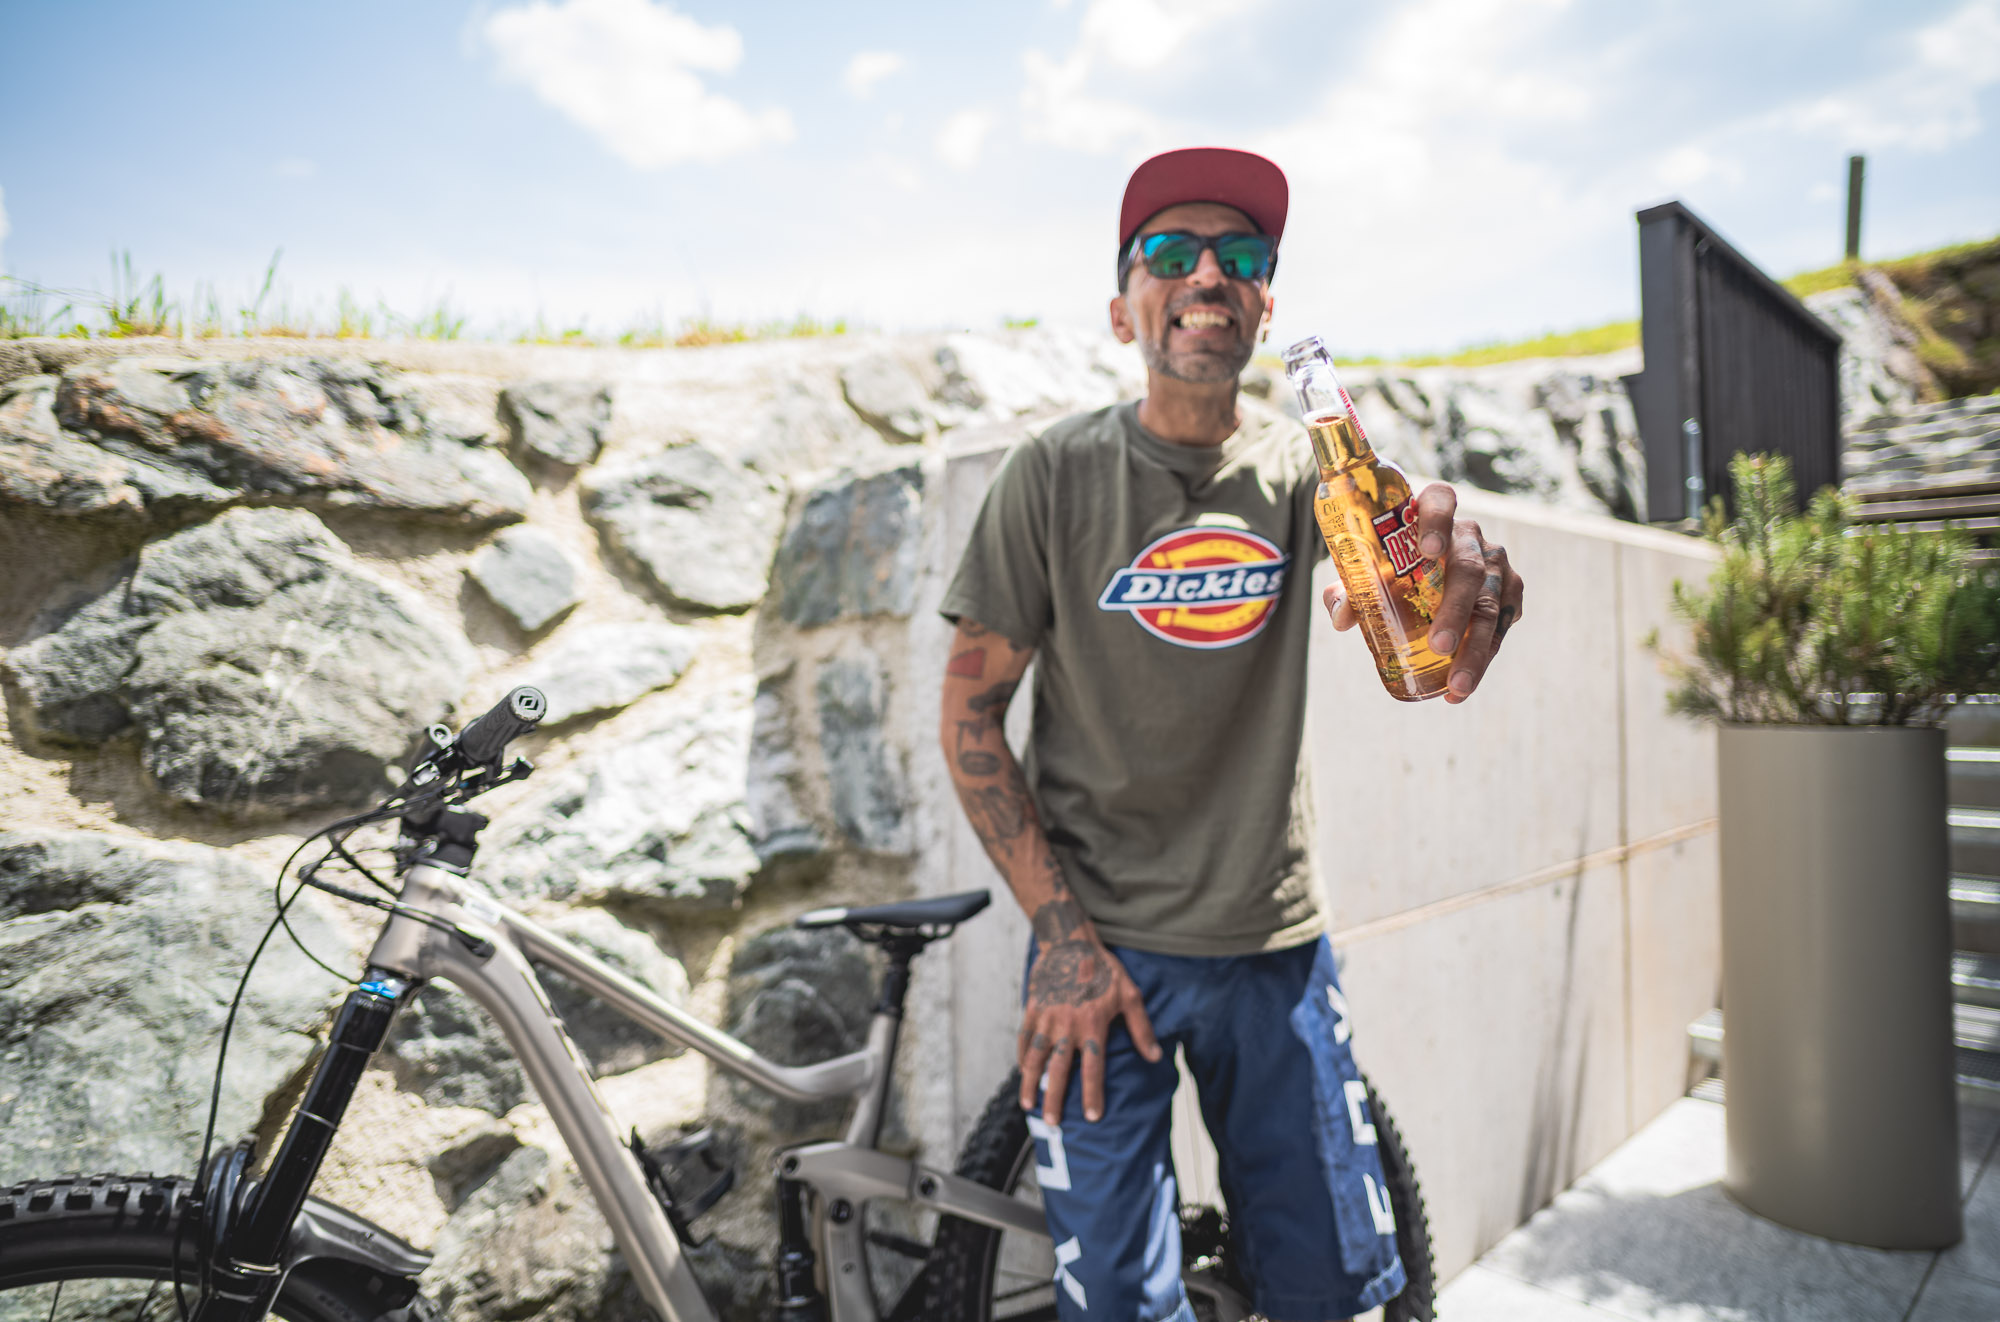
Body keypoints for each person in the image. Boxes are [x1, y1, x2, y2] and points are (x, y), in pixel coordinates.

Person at [937, 147, 1526, 1322]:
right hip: (1102, 955)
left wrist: (1461, 600)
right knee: (1112, 1300)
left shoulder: (1311, 473)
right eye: (1170, 250)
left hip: (1275, 953)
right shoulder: (1049, 475)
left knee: (1329, 1290)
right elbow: (967, 714)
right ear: (1122, 309)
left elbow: (1402, 631)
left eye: (1241, 255)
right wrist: (1059, 935)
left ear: (1266, 304)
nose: (1207, 272)